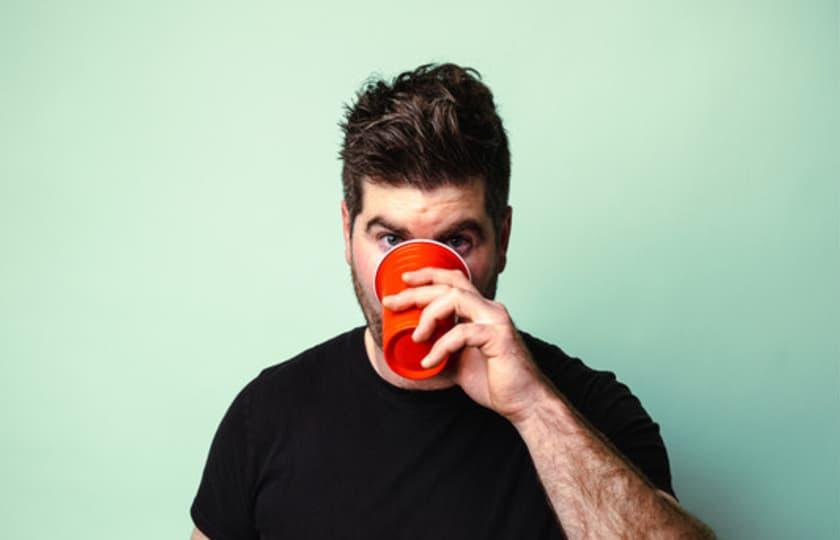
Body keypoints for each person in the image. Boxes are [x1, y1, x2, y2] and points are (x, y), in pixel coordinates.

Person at [190, 63, 715, 539]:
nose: (422, 278)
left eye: (456, 241)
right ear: (347, 232)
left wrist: (533, 409)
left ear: (502, 238)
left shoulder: (590, 411)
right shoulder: (267, 416)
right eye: (390, 239)